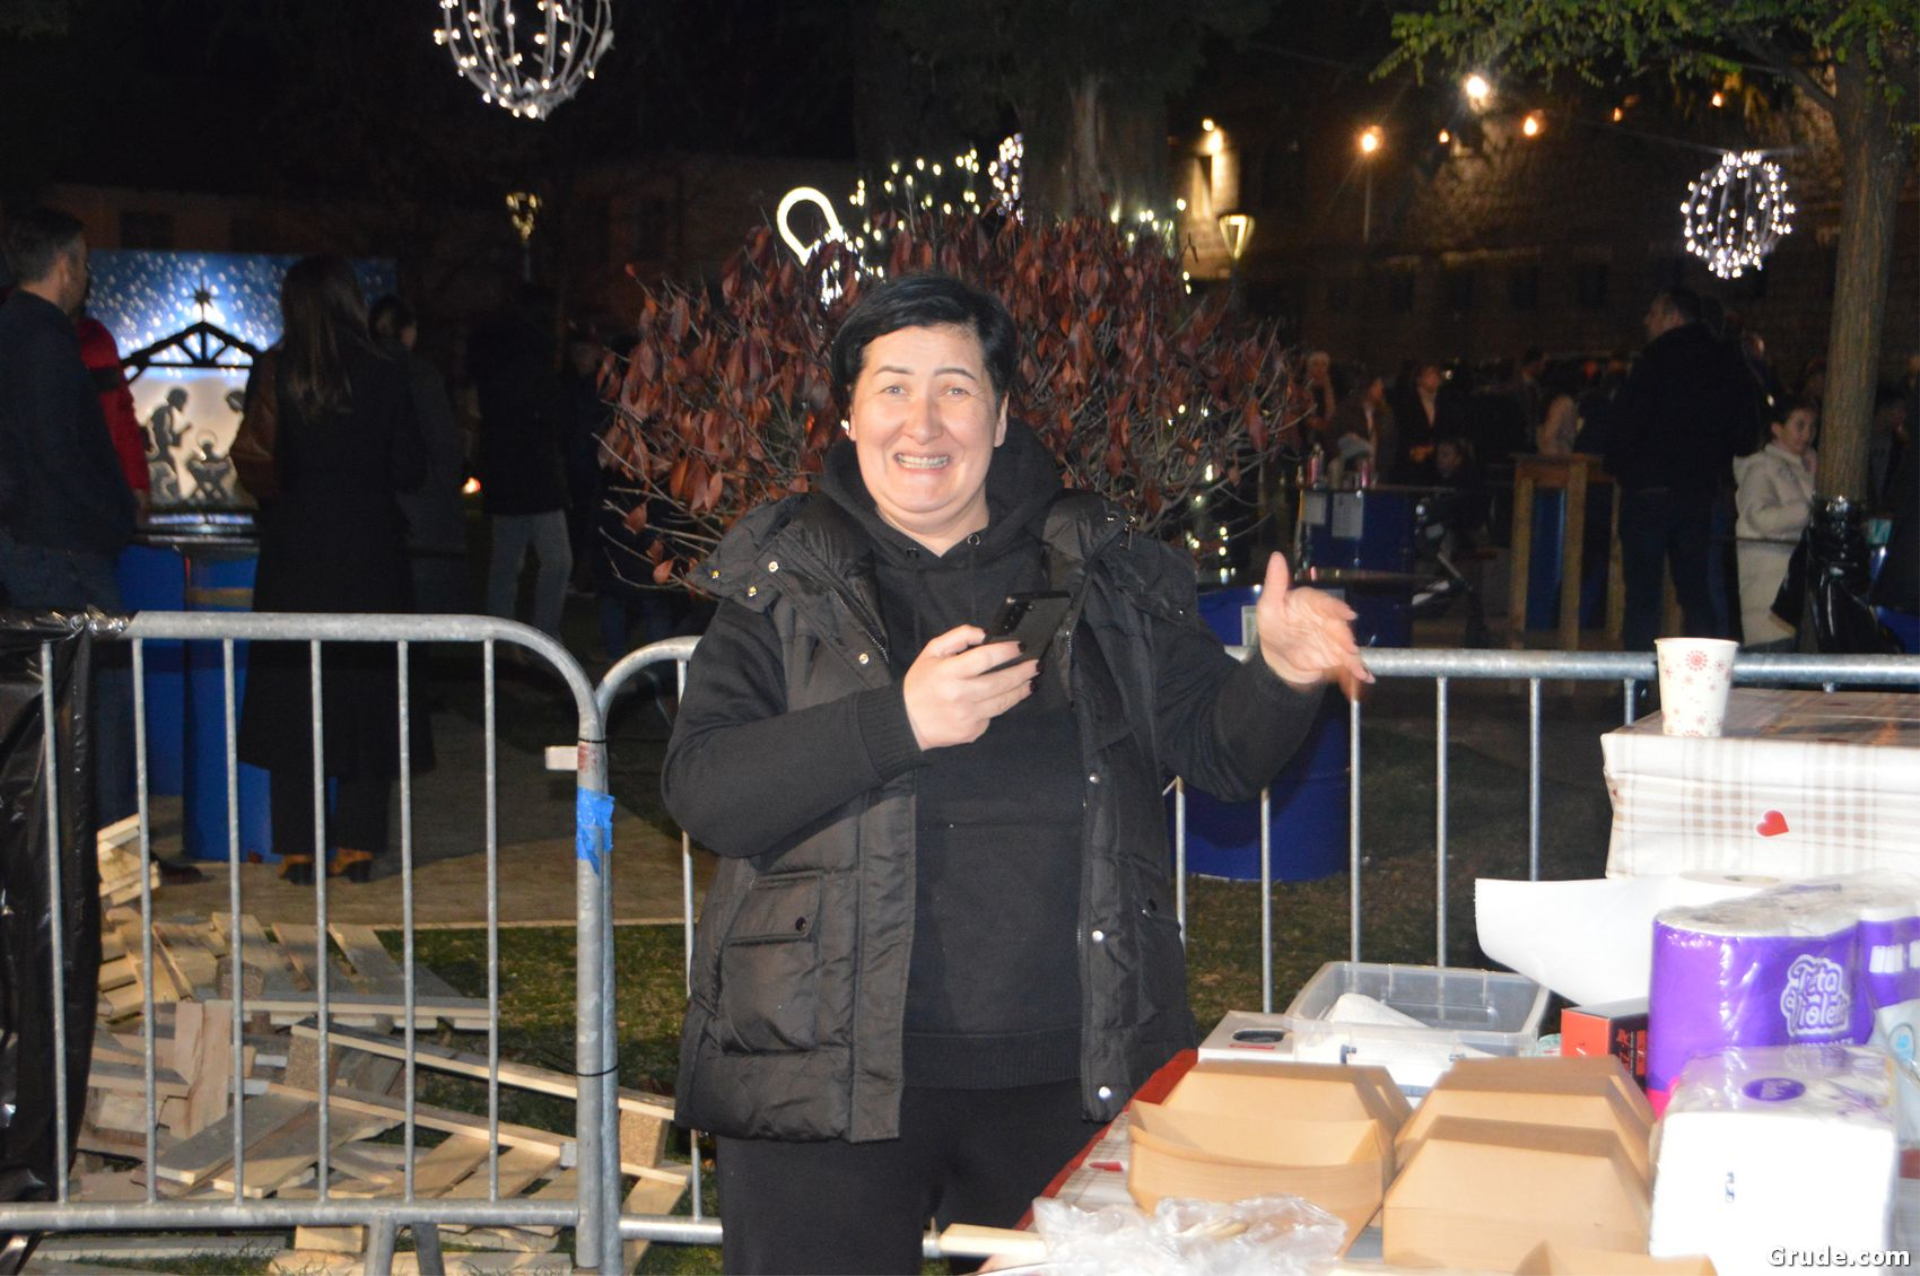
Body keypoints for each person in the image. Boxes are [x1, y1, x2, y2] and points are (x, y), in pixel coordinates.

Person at [661, 274, 1369, 1276]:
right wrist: (900, 721)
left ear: (999, 419)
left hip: (1066, 1077)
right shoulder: (785, 579)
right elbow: (705, 787)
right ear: (850, 417)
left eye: (955, 388)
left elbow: (1220, 750)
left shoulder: (1101, 569)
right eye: (892, 387)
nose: (922, 421)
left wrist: (1282, 675)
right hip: (821, 1081)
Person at [233, 256, 430, 884]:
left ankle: (298, 848)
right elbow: (411, 467)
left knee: (295, 690)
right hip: (372, 551)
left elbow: (264, 463)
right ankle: (359, 844)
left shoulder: (276, 368)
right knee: (367, 690)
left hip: (295, 550)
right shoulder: (387, 369)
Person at [0, 206, 138, 823]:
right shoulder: (45, 343)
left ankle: (65, 843)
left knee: (54, 700)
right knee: (97, 700)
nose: (86, 278)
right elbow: (63, 455)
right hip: (63, 547)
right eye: (83, 264)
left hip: (31, 540)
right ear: (64, 267)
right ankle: (100, 843)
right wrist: (113, 516)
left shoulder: (13, 332)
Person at [1606, 287, 1759, 652]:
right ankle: (1703, 672)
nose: (1647, 322)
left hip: (1648, 492)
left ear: (1673, 317)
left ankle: (1640, 677)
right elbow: (1744, 432)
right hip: (1697, 492)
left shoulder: (1654, 361)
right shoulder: (1724, 360)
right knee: (1696, 594)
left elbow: (1625, 425)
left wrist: (1623, 467)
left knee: (1643, 597)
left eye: (1654, 314)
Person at [471, 292, 573, 643]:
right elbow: (556, 419)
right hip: (536, 478)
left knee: (507, 563)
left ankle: (504, 638)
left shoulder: (495, 364)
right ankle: (540, 636)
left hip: (509, 479)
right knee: (554, 560)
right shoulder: (536, 365)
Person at [370, 295, 470, 614]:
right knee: (427, 604)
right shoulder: (421, 374)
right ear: (408, 330)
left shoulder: (362, 373)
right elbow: (443, 444)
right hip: (425, 508)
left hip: (379, 508)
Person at [1734, 401, 1819, 650]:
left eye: (1812, 427)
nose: (1807, 434)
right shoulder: (1760, 468)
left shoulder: (1812, 469)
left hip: (1798, 592)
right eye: (1799, 425)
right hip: (1769, 593)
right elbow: (1759, 517)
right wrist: (1806, 510)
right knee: (1771, 661)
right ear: (1777, 428)